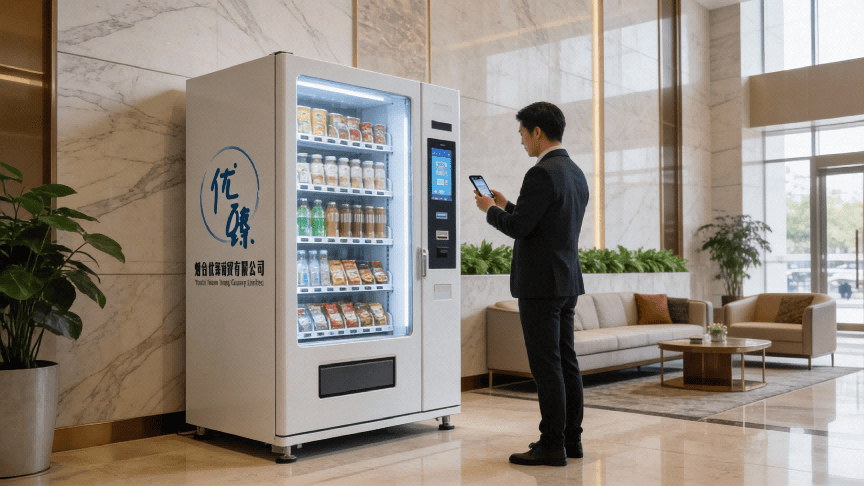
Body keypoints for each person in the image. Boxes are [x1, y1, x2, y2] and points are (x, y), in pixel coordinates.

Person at [474, 101, 589, 467]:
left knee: (546, 366)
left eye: (523, 133)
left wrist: (490, 210)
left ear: (537, 132)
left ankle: (551, 444)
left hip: (540, 285)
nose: (521, 140)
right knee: (566, 362)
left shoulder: (540, 173)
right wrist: (508, 205)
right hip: (566, 282)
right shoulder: (575, 173)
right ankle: (571, 439)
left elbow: (520, 228)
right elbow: (543, 223)